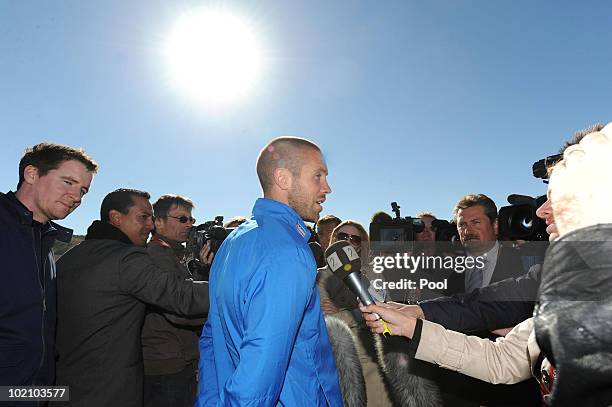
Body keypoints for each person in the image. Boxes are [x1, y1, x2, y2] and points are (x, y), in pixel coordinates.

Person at [363, 122, 612, 405]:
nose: (542, 211)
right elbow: (501, 358)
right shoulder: (552, 276)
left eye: (562, 196)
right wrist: (412, 322)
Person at [196, 137, 342, 406]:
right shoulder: (288, 251)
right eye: (318, 176)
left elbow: (211, 341)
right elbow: (262, 362)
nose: (327, 188)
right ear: (283, 178)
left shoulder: (234, 240)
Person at [54, 189, 210, 407]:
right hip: (108, 390)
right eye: (144, 217)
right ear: (116, 218)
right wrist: (237, 286)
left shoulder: (70, 257)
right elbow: (179, 296)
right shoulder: (126, 258)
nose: (150, 224)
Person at [0, 143, 98, 390]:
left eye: (83, 191)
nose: (77, 197)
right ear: (31, 174)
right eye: (68, 182)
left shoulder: (45, 243)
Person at [142, 194, 212, 407]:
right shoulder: (155, 257)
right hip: (166, 364)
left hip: (177, 359)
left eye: (191, 219)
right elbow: (181, 309)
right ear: (158, 222)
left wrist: (202, 268)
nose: (190, 224)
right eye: (182, 219)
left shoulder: (171, 254)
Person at [317, 220, 395, 407]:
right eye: (343, 237)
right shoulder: (318, 276)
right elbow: (319, 318)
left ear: (361, 246)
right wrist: (353, 314)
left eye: (356, 239)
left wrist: (341, 313)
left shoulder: (374, 274)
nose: (349, 242)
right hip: (332, 364)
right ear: (333, 240)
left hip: (370, 359)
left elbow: (382, 312)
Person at [447, 194, 528, 295]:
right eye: (462, 225)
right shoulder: (448, 269)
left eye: (476, 222)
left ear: (495, 225)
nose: (467, 231)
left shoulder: (525, 263)